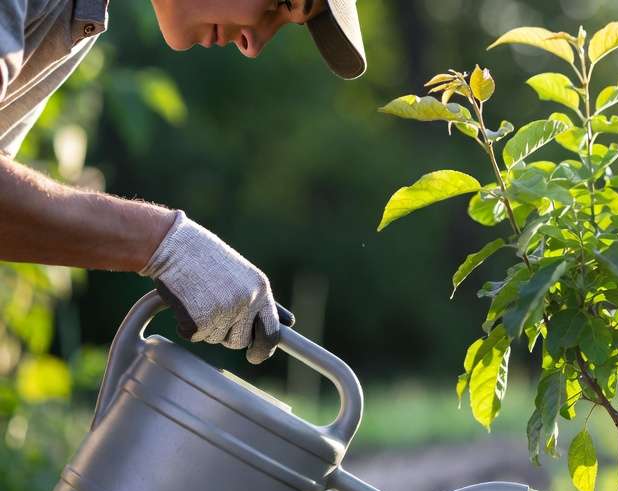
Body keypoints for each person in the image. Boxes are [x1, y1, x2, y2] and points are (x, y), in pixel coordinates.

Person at [0, 0, 365, 362]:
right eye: (279, 3)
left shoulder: (78, 16)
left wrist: (164, 246)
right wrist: (159, 242)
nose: (253, 45)